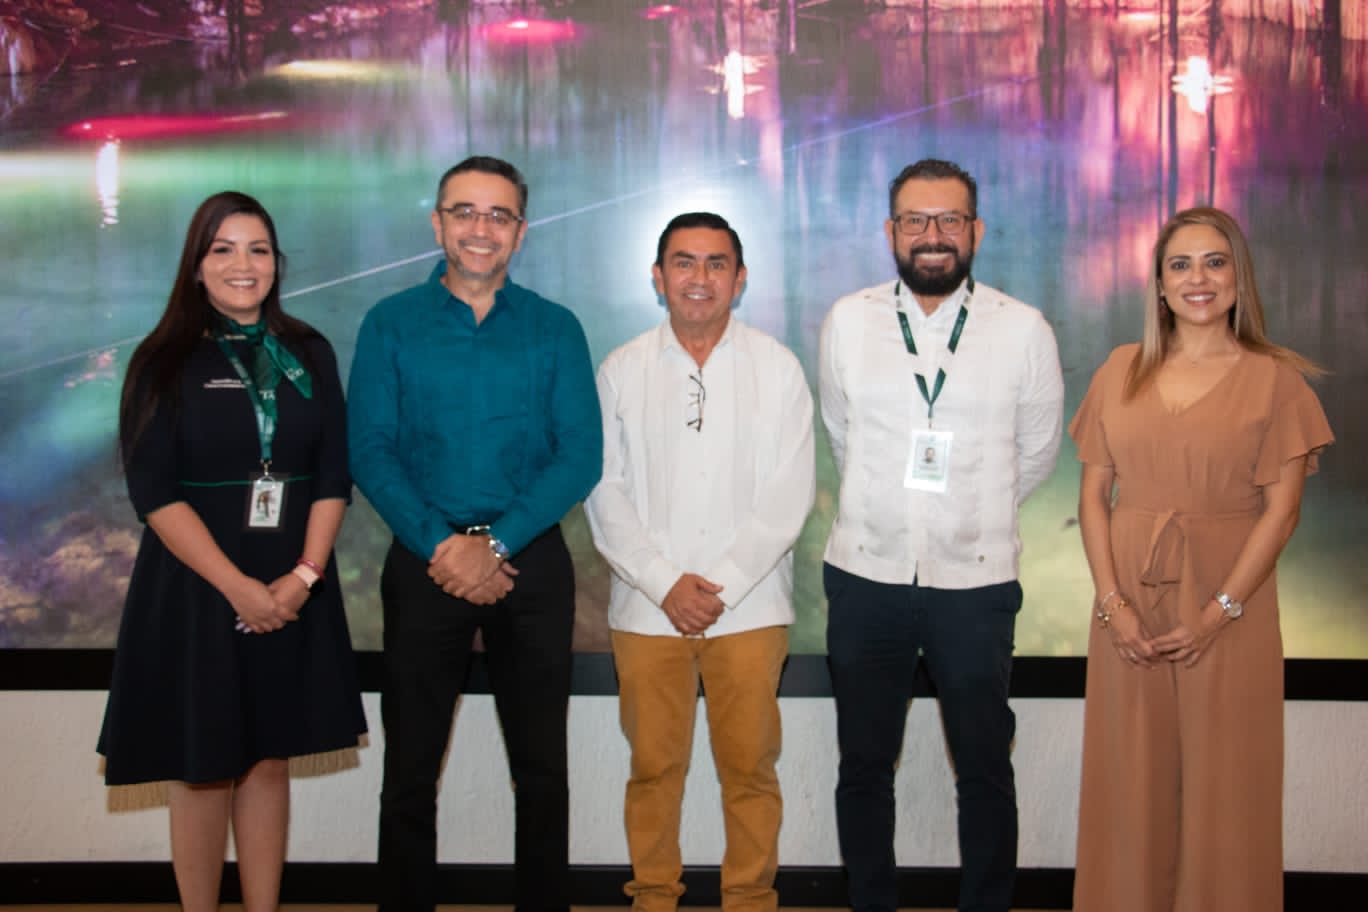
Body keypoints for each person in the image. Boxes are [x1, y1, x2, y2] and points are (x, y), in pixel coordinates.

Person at [98, 191, 366, 912]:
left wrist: (302, 577)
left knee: (269, 759)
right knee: (201, 768)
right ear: (196, 265)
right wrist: (238, 587)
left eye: (258, 249)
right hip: (196, 588)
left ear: (277, 263)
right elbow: (154, 494)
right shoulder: (160, 360)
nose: (242, 265)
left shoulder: (310, 352)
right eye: (223, 250)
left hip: (293, 585)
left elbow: (333, 476)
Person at [348, 156, 602, 912]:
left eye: (499, 215)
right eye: (464, 212)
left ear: (521, 232)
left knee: (542, 769)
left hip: (529, 562)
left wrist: (493, 545)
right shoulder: (390, 323)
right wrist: (443, 545)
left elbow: (579, 456)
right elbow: (371, 450)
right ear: (438, 224)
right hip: (424, 560)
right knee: (409, 768)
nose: (480, 228)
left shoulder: (555, 328)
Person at [1070, 207, 1333, 912]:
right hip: (1128, 605)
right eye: (1180, 264)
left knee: (1229, 787)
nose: (1199, 279)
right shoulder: (1119, 369)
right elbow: (1093, 497)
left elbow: (1282, 512)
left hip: (1233, 602)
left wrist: (1219, 612)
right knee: (1130, 780)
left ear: (1239, 277)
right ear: (1159, 284)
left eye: (1215, 262)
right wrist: (1113, 604)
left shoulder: (1276, 381)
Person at [818, 159, 1064, 912]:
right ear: (891, 231)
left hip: (976, 582)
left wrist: (967, 510)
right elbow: (843, 437)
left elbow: (1036, 452)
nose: (933, 235)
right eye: (915, 220)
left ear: (975, 231)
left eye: (950, 219)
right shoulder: (849, 320)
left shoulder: (1022, 329)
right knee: (864, 765)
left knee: (985, 768)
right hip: (866, 575)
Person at [585, 213, 815, 912]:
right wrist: (664, 583)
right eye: (684, 262)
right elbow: (602, 489)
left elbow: (791, 492)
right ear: (658, 277)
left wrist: (723, 585)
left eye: (717, 264)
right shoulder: (621, 369)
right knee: (654, 771)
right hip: (646, 610)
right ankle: (654, 897)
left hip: (751, 608)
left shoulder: (777, 367)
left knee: (750, 772)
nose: (700, 277)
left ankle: (750, 899)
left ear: (739, 280)